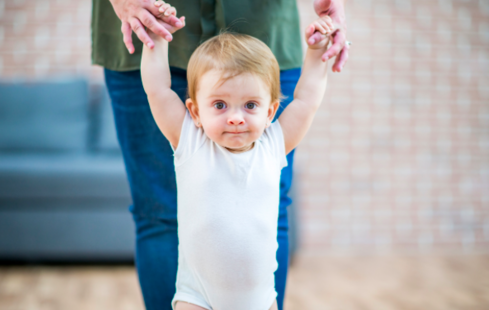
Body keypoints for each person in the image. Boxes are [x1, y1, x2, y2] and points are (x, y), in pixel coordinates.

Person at [91, 0, 348, 309]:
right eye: (220, 105)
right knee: (156, 216)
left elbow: (306, 100)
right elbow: (158, 90)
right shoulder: (189, 141)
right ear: (195, 112)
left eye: (250, 105)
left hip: (259, 300)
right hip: (196, 298)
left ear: (271, 111)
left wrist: (318, 53)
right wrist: (155, 42)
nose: (236, 117)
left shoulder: (274, 144)